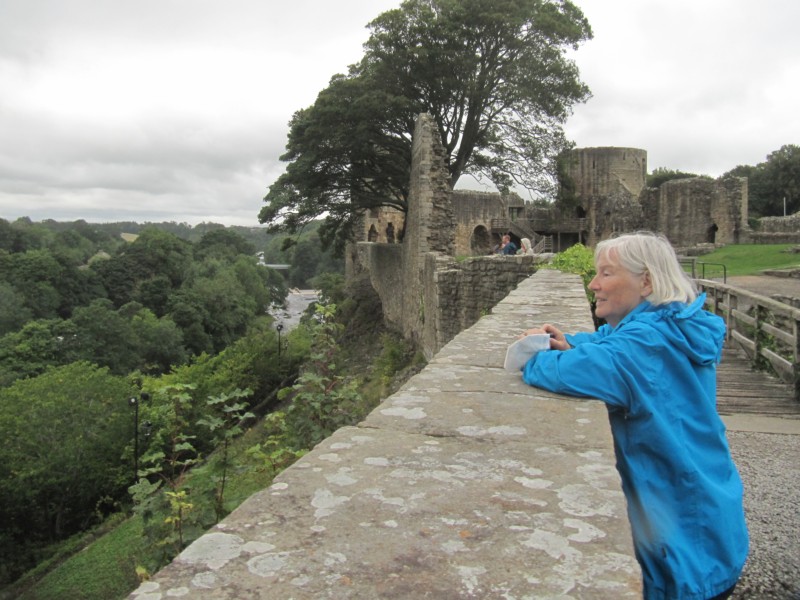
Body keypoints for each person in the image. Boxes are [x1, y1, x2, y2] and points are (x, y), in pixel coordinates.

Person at [518, 232, 748, 600]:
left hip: (686, 551)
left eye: (606, 274)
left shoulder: (645, 347)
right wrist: (574, 342)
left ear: (647, 281)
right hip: (712, 519)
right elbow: (614, 343)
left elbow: (559, 371)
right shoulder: (672, 325)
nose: (594, 284)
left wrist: (533, 354)